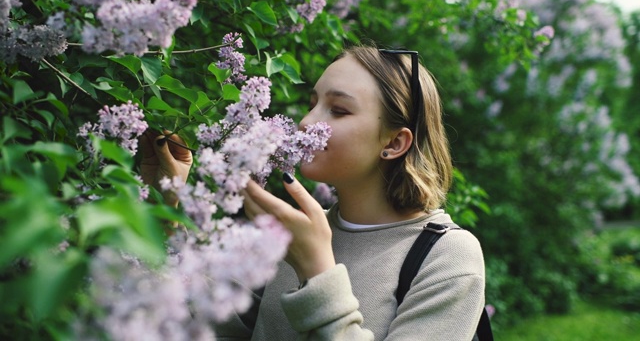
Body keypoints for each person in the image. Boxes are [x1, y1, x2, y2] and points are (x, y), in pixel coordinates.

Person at [146, 44, 485, 340]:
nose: (307, 121)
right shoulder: (292, 234)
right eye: (313, 104)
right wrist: (167, 204)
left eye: (338, 110)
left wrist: (316, 270)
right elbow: (202, 328)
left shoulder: (448, 257)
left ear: (395, 142)